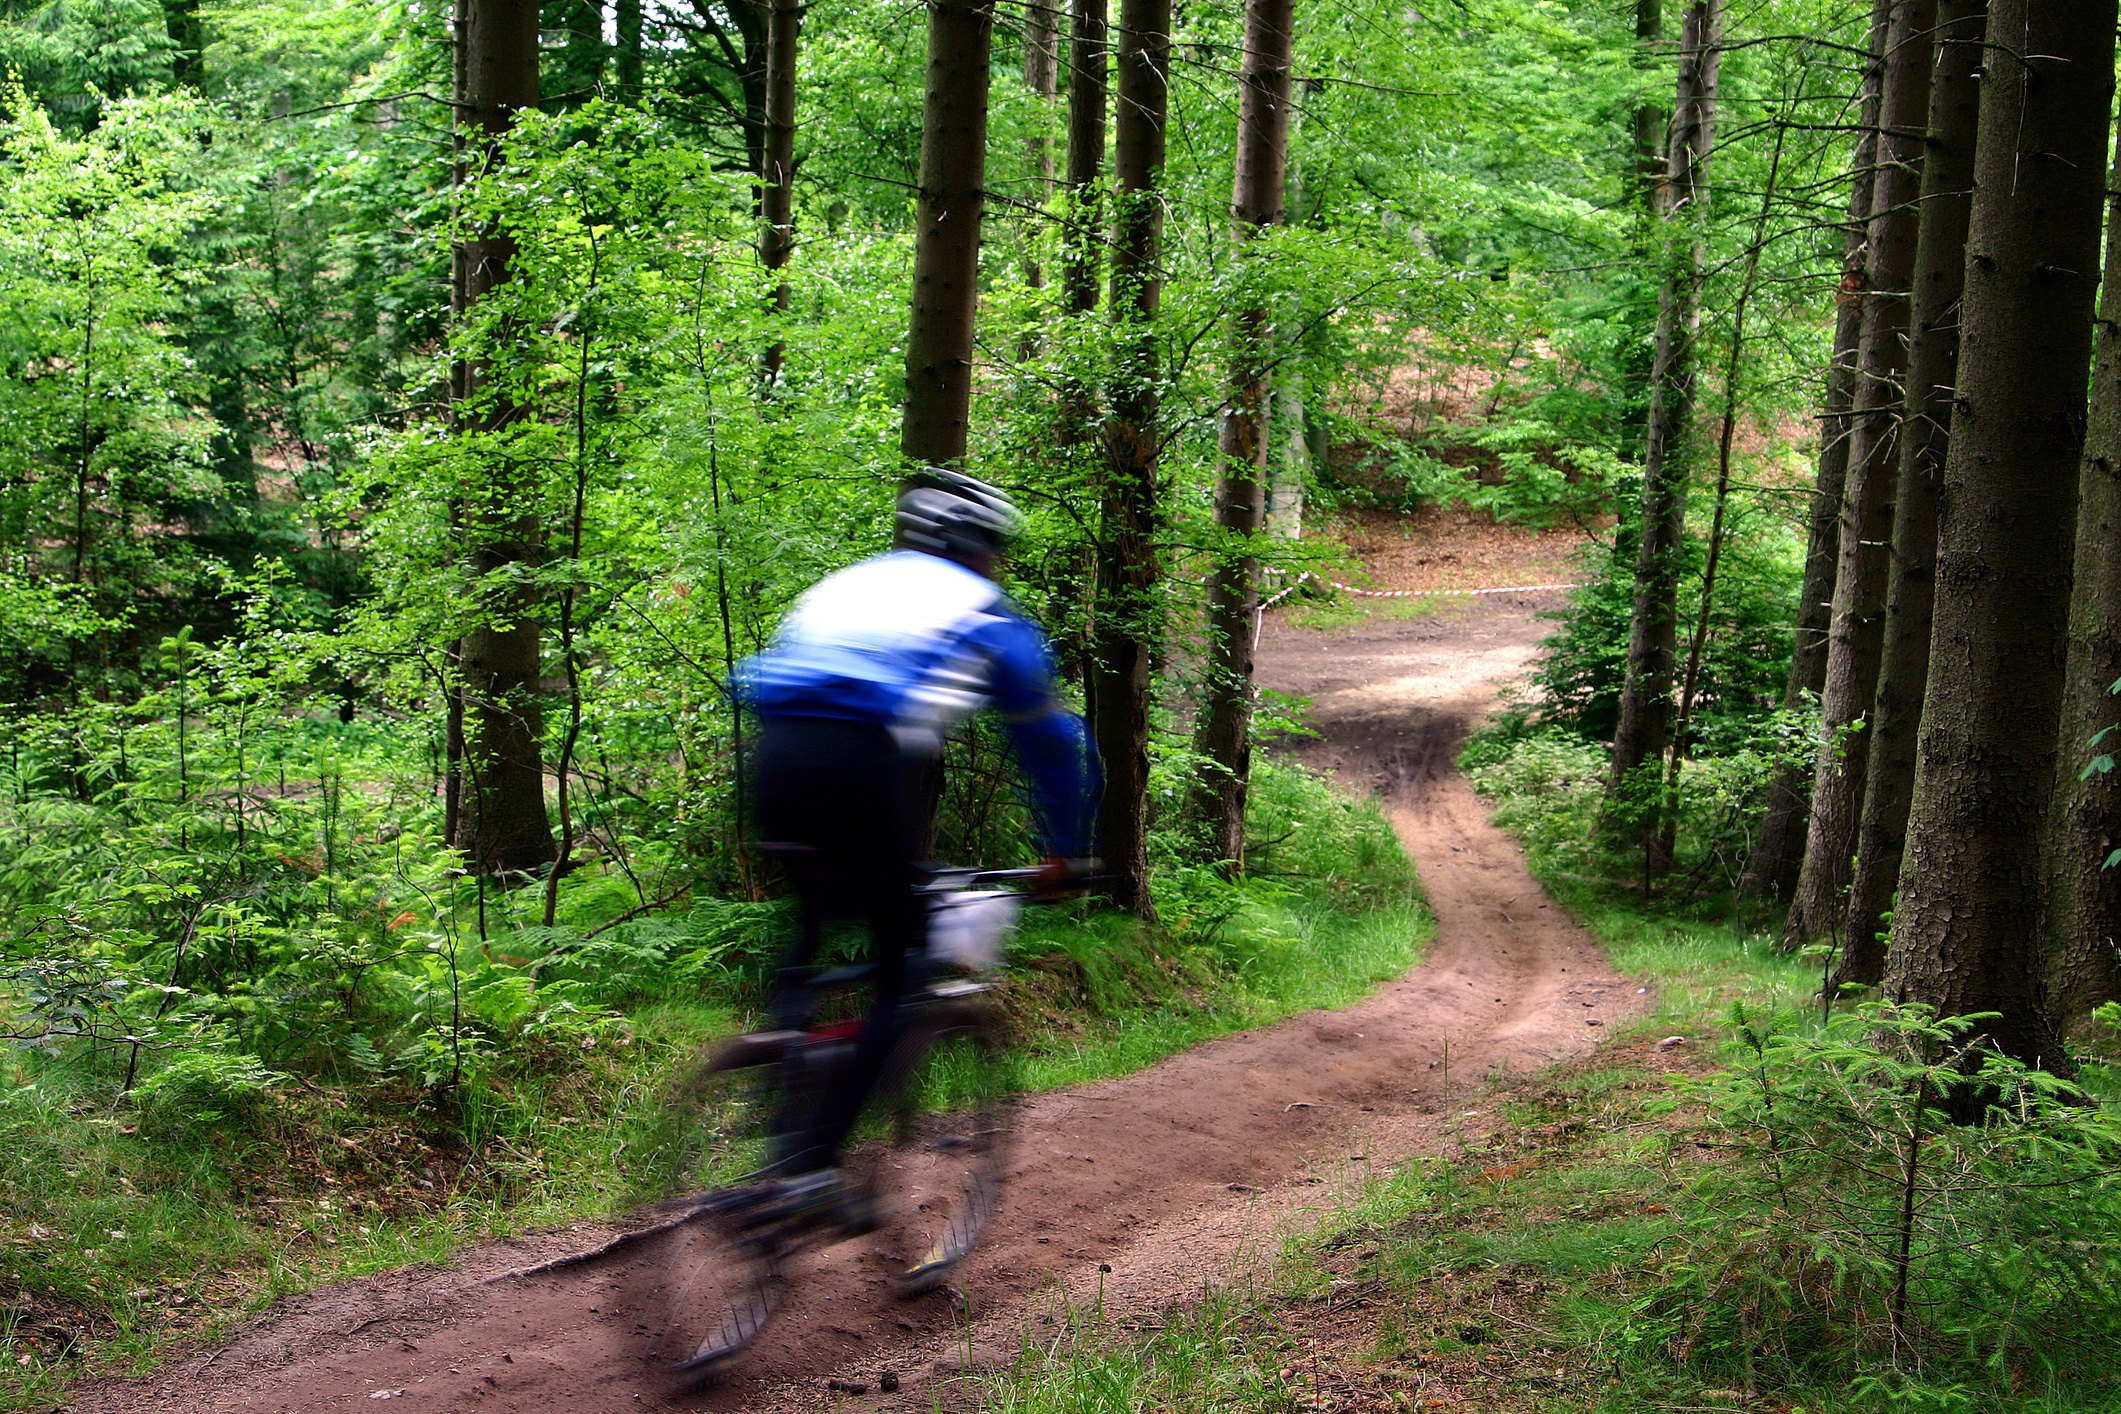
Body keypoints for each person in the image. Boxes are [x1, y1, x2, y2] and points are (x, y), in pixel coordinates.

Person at [735, 468, 1099, 1219]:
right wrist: (1064, 851)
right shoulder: (981, 609)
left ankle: (782, 1066)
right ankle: (811, 1172)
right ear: (977, 547)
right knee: (904, 967)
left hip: (771, 760)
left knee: (812, 906)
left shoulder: (847, 585)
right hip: (860, 766)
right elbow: (1050, 740)